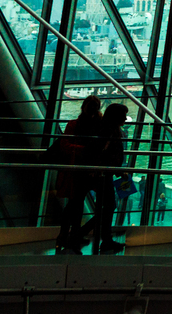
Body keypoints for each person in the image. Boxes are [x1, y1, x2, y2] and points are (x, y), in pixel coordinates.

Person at [54, 95, 101, 251]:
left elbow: (65, 145)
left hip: (78, 170)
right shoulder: (99, 125)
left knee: (75, 204)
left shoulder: (74, 125)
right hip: (91, 170)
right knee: (80, 204)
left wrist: (81, 150)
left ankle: (68, 235)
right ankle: (75, 234)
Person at [88, 102, 129, 255]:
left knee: (107, 206)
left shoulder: (106, 130)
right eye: (123, 115)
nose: (125, 118)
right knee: (109, 206)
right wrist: (118, 170)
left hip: (103, 174)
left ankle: (102, 238)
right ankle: (103, 239)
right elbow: (106, 155)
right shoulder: (111, 132)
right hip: (103, 175)